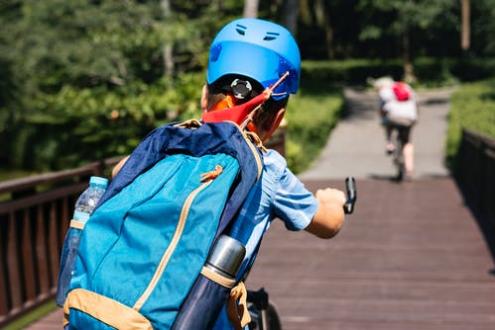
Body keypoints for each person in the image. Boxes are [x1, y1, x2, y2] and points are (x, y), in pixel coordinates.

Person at [113, 18, 346, 329]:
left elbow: (119, 172)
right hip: (202, 318)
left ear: (202, 96)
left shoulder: (170, 143)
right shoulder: (269, 169)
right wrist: (334, 201)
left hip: (122, 307)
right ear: (278, 118)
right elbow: (328, 224)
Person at [373, 77, 418, 180]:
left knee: (388, 125)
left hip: (393, 117)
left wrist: (382, 120)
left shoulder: (384, 91)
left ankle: (390, 144)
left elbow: (381, 109)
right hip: (409, 117)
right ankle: (409, 169)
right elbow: (415, 102)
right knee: (407, 142)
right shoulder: (406, 87)